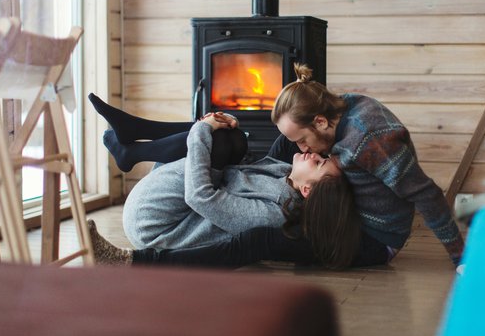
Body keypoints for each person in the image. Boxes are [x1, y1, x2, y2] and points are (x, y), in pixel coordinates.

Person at [89, 94, 363, 269]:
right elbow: (238, 169)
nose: (313, 154)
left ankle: (134, 144)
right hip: (175, 203)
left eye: (319, 163)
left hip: (153, 221)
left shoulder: (273, 214)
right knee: (231, 139)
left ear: (307, 190)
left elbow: (200, 197)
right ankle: (135, 139)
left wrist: (201, 130)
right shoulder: (284, 175)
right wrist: (228, 124)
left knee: (217, 142)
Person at [265, 63, 465, 266]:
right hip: (351, 207)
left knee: (266, 239)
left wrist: (461, 257)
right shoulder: (342, 106)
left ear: (320, 122)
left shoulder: (370, 140)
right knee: (285, 143)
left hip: (373, 237)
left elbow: (427, 194)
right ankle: (261, 191)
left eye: (302, 140)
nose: (303, 149)